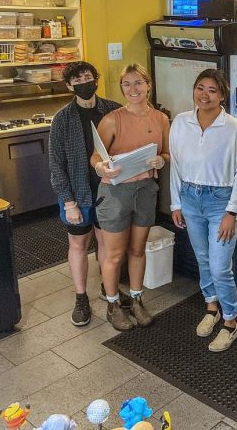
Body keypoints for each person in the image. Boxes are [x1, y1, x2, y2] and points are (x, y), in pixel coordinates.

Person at [169, 68, 237, 352]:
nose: (205, 95)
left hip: (220, 202)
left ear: (223, 95)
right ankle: (211, 307)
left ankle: (230, 322)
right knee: (202, 259)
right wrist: (175, 202)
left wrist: (232, 211)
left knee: (219, 266)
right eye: (200, 87)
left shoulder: (234, 129)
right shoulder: (180, 122)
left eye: (212, 90)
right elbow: (175, 165)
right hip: (189, 197)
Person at [91, 63, 170, 331]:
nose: (133, 89)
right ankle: (113, 305)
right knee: (114, 254)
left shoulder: (160, 119)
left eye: (138, 83)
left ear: (148, 85)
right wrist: (101, 166)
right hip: (116, 192)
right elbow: (96, 157)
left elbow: (167, 154)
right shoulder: (112, 119)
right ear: (122, 88)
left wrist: (160, 160)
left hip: (146, 189)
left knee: (137, 250)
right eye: (127, 84)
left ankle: (136, 300)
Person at [49, 61, 129, 326]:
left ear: (96, 79)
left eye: (88, 77)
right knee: (78, 245)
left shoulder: (113, 110)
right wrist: (69, 202)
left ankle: (109, 290)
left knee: (106, 242)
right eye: (77, 79)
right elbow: (56, 164)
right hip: (77, 193)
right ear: (69, 85)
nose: (84, 82)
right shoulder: (62, 119)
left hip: (108, 190)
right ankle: (81, 298)